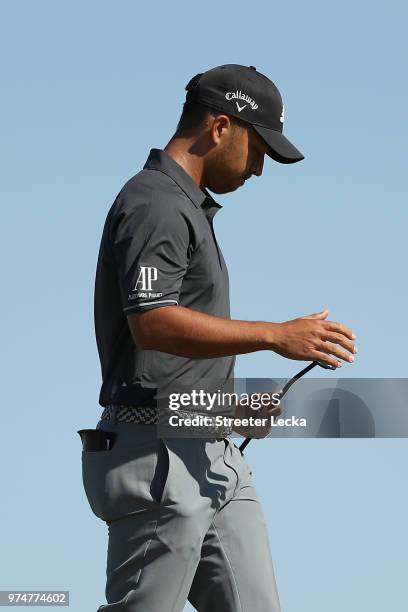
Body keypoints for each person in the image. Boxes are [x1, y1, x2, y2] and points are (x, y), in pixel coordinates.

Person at [83, 64, 357, 612]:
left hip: (212, 455)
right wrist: (276, 336)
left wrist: (228, 411)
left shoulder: (186, 206)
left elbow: (167, 359)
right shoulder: (155, 203)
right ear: (220, 127)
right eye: (259, 150)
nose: (259, 169)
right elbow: (151, 321)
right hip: (157, 458)